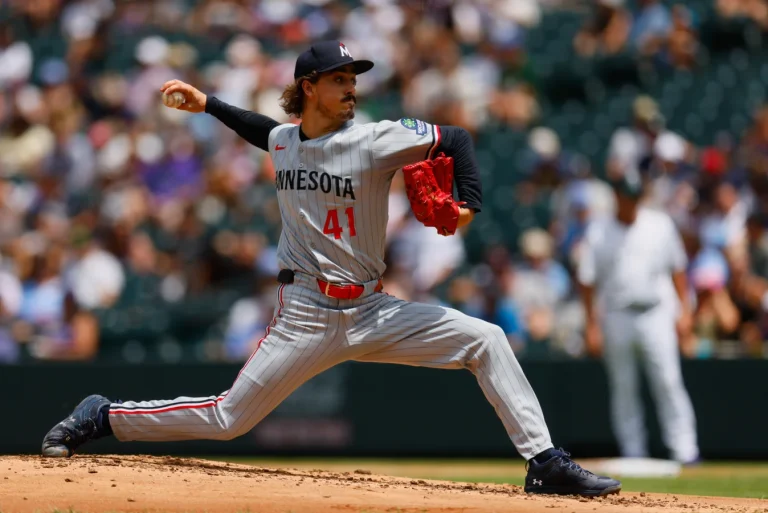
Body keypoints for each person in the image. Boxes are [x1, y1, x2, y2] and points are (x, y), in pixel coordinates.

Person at [42, 40, 621, 497]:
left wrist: (467, 202)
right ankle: (105, 415)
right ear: (308, 87)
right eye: (340, 80)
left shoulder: (374, 140)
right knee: (228, 420)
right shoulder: (285, 143)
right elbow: (261, 131)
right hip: (305, 316)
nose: (351, 89)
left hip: (373, 308)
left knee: (486, 340)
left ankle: (544, 461)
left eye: (354, 79)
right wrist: (210, 104)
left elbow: (457, 137)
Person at [577, 174, 700, 465]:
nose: (631, 203)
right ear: (617, 198)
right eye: (626, 197)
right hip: (617, 314)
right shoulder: (599, 230)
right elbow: (587, 280)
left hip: (656, 313)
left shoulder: (659, 224)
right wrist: (592, 324)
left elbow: (678, 269)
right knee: (624, 386)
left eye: (635, 197)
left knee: (668, 381)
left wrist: (684, 312)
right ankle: (634, 451)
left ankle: (686, 450)